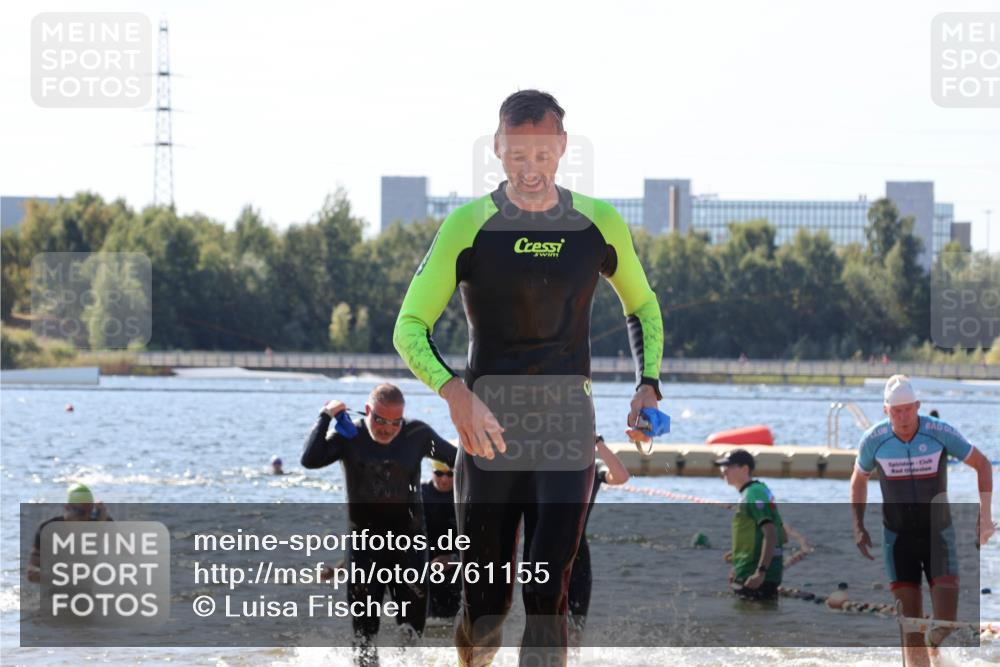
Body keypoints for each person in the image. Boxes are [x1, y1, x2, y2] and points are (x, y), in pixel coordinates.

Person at [394, 89, 663, 666]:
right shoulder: (467, 226)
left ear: (563, 148)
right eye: (518, 155)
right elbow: (409, 327)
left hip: (567, 432)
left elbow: (642, 307)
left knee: (547, 594)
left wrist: (648, 384)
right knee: (485, 606)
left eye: (543, 155)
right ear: (497, 148)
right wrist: (455, 393)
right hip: (488, 435)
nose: (531, 169)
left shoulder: (598, 223)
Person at [301, 383, 457, 666]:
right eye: (381, 420)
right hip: (365, 549)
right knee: (364, 636)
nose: (387, 429)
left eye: (395, 422)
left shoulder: (417, 435)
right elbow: (310, 459)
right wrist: (326, 415)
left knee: (411, 635)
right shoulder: (350, 437)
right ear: (368, 411)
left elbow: (460, 461)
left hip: (409, 548)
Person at [850, 375, 995, 667]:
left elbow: (982, 464)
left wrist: (986, 516)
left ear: (918, 405)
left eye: (908, 409)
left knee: (945, 624)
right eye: (896, 411)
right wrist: (858, 525)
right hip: (898, 539)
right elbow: (858, 480)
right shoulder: (874, 441)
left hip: (938, 536)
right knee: (910, 625)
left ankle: (933, 643)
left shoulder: (939, 432)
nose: (903, 417)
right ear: (885, 410)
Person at [566, 435, 630, 636]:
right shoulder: (545, 469)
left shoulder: (594, 468)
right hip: (544, 550)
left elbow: (621, 477)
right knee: (539, 615)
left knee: (576, 623)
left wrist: (598, 443)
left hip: (578, 552)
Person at [714, 449, 785, 601]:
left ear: (745, 469)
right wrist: (738, 556)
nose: (724, 471)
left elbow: (771, 534)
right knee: (749, 621)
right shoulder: (757, 491)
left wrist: (760, 571)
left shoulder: (754, 494)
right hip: (749, 572)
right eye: (722, 468)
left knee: (750, 621)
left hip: (755, 578)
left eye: (729, 467)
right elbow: (782, 535)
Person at [27, 483, 111, 583]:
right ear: (67, 508)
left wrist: (106, 524)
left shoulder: (98, 522)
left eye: (91, 511)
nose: (86, 517)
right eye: (81, 512)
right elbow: (31, 572)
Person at [421, 460, 461, 619]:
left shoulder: (466, 497)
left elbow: (481, 540)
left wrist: (454, 558)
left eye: (450, 474)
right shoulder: (419, 495)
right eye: (439, 473)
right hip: (425, 561)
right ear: (432, 472)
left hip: (456, 561)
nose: (444, 479)